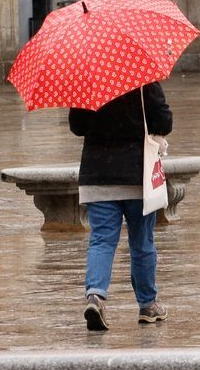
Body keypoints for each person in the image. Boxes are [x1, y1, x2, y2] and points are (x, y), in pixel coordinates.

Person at [68, 83, 172, 331]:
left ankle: (96, 296)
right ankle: (148, 304)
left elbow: (77, 126)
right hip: (138, 175)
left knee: (101, 240)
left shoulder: (87, 78)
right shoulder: (143, 79)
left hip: (98, 175)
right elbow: (164, 121)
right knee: (142, 241)